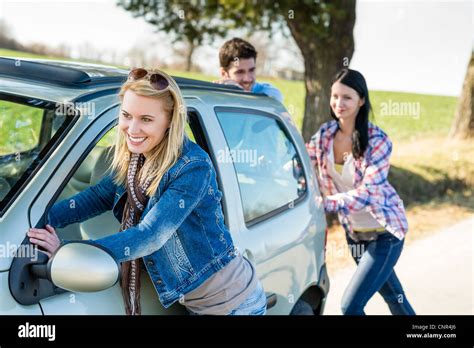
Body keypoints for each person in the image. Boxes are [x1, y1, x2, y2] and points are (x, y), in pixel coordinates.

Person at [28, 68, 267, 316]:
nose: (132, 128)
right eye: (126, 115)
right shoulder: (135, 159)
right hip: (201, 306)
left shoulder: (192, 166)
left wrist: (70, 252)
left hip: (235, 305)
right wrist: (36, 220)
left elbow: (150, 235)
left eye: (146, 119)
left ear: (170, 122)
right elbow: (99, 196)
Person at [306, 68, 416, 315]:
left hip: (385, 234)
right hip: (355, 234)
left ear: (361, 100)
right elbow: (301, 162)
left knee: (350, 305)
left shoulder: (378, 140)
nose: (338, 103)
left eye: (347, 97)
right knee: (395, 298)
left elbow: (368, 192)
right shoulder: (324, 135)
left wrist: (325, 203)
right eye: (335, 96)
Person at [215, 37, 283, 103]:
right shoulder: (214, 96)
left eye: (251, 70)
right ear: (224, 74)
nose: (247, 79)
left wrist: (240, 93)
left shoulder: (269, 93)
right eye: (240, 72)